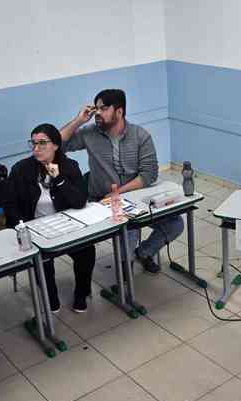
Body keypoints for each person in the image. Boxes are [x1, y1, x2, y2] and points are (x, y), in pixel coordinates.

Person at [60, 89, 184, 280]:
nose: (97, 113)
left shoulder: (140, 136)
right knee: (129, 233)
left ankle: (142, 253)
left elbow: (149, 174)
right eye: (96, 108)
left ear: (119, 112)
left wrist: (119, 192)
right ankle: (126, 266)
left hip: (136, 198)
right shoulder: (89, 133)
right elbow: (57, 145)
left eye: (104, 108)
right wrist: (78, 120)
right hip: (101, 199)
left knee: (175, 225)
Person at [4, 123, 95, 313]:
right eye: (33, 143)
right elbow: (10, 205)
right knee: (42, 262)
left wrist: (59, 179)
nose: (36, 149)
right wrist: (22, 229)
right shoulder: (21, 169)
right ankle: (51, 297)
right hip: (34, 228)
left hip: (66, 225)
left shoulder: (69, 166)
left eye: (42, 143)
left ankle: (81, 294)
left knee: (87, 252)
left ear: (55, 145)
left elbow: (79, 201)